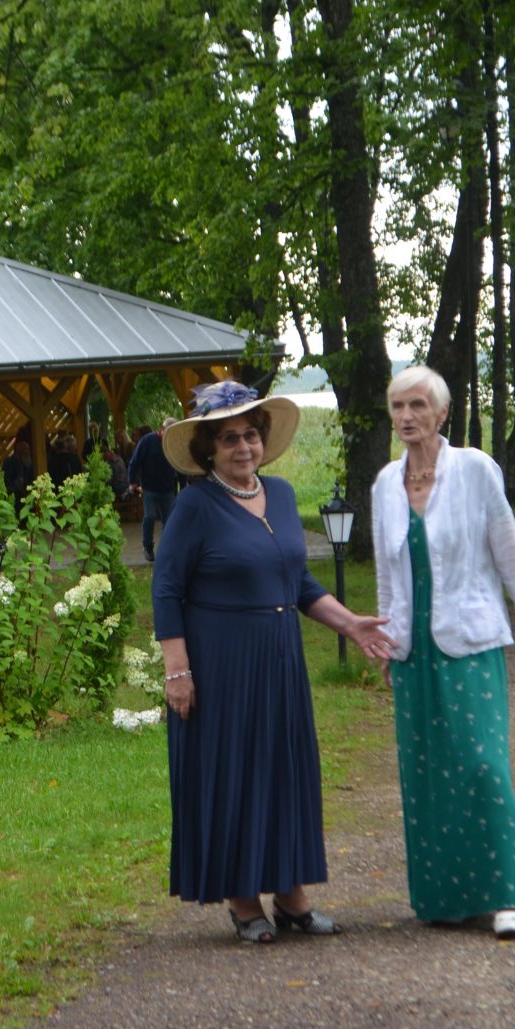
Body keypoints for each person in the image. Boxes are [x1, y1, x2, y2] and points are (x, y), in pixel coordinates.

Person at [153, 380, 392, 944]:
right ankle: (243, 902)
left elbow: (300, 581)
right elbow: (165, 589)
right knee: (233, 774)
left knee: (285, 772)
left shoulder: (281, 495)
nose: (244, 447)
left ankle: (292, 898)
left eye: (252, 435)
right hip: (221, 665)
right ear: (210, 448)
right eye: (230, 437)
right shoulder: (196, 505)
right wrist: (177, 670)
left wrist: (351, 624)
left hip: (280, 659)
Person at [372, 365, 515, 940]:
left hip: (469, 640)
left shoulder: (473, 470)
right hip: (412, 649)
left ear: (442, 412)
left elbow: (508, 547)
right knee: (426, 773)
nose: (406, 417)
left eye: (418, 405)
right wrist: (382, 635)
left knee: (481, 764)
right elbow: (386, 574)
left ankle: (507, 896)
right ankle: (445, 898)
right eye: (398, 406)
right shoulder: (383, 485)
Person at [128, 418, 179, 562]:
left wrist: (183, 484)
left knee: (169, 521)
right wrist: (132, 482)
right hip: (149, 488)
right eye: (168, 431)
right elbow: (134, 461)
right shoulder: (147, 441)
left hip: (167, 488)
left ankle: (166, 549)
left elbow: (180, 465)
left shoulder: (174, 443)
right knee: (149, 516)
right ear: (161, 429)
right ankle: (148, 547)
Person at [2, 440, 34, 519]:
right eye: (26, 451)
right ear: (19, 452)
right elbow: (7, 481)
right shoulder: (9, 462)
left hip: (26, 496)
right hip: (14, 496)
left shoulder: (28, 462)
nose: (28, 453)